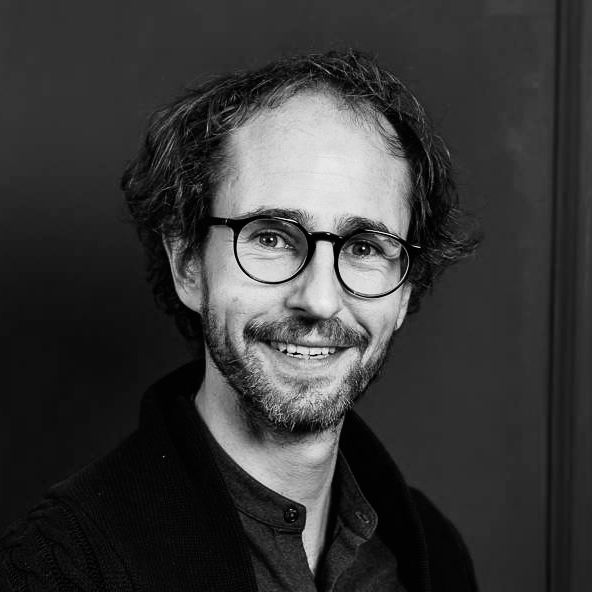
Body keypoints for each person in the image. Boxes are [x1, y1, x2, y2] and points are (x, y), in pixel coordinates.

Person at [0, 50, 479, 591]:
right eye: (271, 238)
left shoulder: (434, 553)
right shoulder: (57, 570)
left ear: (405, 292)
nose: (320, 299)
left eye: (365, 247)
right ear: (188, 265)